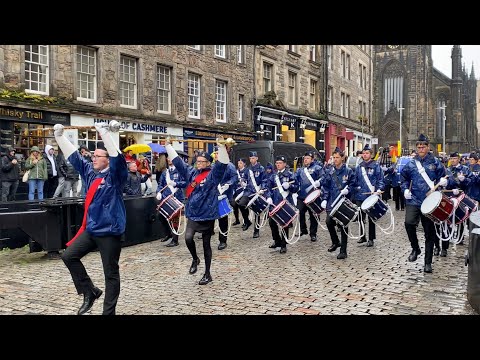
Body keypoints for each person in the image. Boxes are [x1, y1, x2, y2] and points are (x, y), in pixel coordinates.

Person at [54, 121, 127, 315]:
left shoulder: (115, 176)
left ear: (107, 159)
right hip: (92, 228)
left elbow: (118, 159)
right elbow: (75, 158)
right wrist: (59, 137)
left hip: (110, 231)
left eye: (98, 156)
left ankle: (108, 313)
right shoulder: (90, 173)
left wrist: (105, 133)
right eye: (93, 155)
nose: (93, 158)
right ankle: (90, 291)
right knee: (69, 256)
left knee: (111, 274)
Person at [165, 139, 229, 285]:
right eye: (198, 160)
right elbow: (178, 163)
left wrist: (221, 147)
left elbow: (222, 164)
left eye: (202, 161)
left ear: (208, 163)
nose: (199, 163)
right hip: (193, 213)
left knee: (207, 244)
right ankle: (195, 258)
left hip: (207, 214)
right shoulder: (192, 172)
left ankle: (207, 273)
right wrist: (168, 146)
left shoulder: (213, 175)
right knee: (188, 238)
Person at [400, 134, 447, 273]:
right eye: (418, 147)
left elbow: (444, 177)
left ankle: (428, 263)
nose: (421, 148)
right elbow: (403, 179)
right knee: (409, 223)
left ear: (428, 147)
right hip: (414, 199)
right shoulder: (411, 163)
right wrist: (404, 190)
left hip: (429, 201)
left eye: (423, 146)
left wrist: (444, 182)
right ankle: (415, 248)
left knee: (429, 232)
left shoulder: (435, 162)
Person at [321, 147, 355, 259]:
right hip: (332, 201)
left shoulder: (349, 171)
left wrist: (348, 190)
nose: (335, 159)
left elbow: (354, 185)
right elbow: (325, 186)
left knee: (343, 225)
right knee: (329, 222)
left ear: (342, 158)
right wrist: (324, 199)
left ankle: (343, 250)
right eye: (333, 157)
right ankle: (335, 241)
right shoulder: (329, 171)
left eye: (337, 157)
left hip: (343, 202)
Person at [262, 155, 299, 253]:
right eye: (277, 163)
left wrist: (289, 186)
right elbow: (268, 188)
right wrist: (268, 197)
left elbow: (296, 187)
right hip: (274, 202)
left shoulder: (290, 174)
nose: (278, 165)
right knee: (272, 222)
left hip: (285, 202)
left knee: (284, 223)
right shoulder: (273, 176)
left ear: (285, 164)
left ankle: (284, 244)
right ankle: (277, 240)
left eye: (280, 163)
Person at [353, 144, 385, 247]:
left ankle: (371, 238)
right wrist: (356, 187)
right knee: (361, 217)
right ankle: (363, 236)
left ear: (371, 155)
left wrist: (379, 189)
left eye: (367, 153)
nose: (365, 155)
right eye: (364, 153)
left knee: (371, 218)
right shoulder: (359, 167)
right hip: (360, 195)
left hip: (371, 195)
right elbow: (355, 180)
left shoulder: (376, 166)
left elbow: (380, 179)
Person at [156, 154, 187, 247]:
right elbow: (161, 184)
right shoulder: (165, 172)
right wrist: (158, 192)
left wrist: (176, 184)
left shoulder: (181, 171)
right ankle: (168, 234)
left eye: (171, 157)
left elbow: (185, 183)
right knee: (161, 216)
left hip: (177, 197)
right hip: (166, 197)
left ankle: (175, 239)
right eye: (168, 158)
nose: (169, 159)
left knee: (175, 219)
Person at [444, 151, 472, 248]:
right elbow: (446, 184)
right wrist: (445, 184)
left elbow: (471, 182)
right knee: (448, 216)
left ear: (458, 159)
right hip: (451, 195)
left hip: (462, 195)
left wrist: (463, 180)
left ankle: (460, 237)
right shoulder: (447, 170)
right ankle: (448, 236)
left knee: (461, 215)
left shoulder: (465, 169)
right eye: (451, 159)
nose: (452, 160)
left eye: (454, 158)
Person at [211, 149, 238, 250]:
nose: (216, 155)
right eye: (215, 153)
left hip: (225, 194)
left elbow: (235, 177)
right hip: (214, 194)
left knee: (222, 218)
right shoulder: (213, 166)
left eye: (218, 153)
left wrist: (228, 184)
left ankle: (223, 240)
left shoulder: (229, 166)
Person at [295, 151, 324, 242]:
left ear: (312, 159)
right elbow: (295, 179)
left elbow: (324, 177)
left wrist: (319, 182)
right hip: (302, 195)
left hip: (313, 196)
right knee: (300, 212)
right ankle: (303, 230)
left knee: (313, 215)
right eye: (305, 158)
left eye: (307, 158)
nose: (305, 160)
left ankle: (313, 233)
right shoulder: (300, 170)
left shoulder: (318, 168)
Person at [236, 151, 266, 238]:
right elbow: (244, 178)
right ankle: (247, 221)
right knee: (241, 204)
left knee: (257, 212)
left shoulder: (261, 168)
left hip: (257, 192)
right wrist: (243, 182)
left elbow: (264, 180)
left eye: (253, 158)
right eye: (250, 158)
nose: (252, 160)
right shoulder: (247, 169)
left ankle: (256, 230)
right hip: (248, 191)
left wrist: (262, 189)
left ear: (257, 158)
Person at [231, 158, 249, 227]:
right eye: (238, 163)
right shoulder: (237, 171)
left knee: (243, 206)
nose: (239, 165)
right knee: (234, 204)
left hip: (244, 191)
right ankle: (237, 219)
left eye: (241, 163)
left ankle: (246, 221)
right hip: (237, 190)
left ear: (244, 164)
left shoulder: (247, 171)